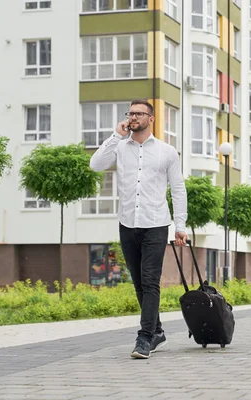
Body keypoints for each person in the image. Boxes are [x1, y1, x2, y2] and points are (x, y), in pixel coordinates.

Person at [90, 100, 188, 359]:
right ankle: (157, 331)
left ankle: (144, 338)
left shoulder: (167, 152)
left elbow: (178, 189)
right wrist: (115, 135)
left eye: (139, 113)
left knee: (150, 281)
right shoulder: (120, 147)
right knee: (138, 283)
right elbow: (95, 165)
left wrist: (180, 226)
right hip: (128, 223)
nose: (133, 117)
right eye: (130, 113)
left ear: (150, 118)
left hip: (156, 223)